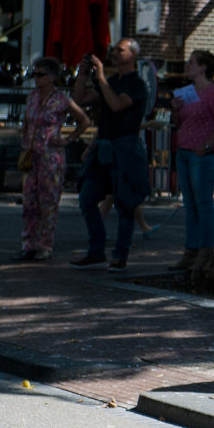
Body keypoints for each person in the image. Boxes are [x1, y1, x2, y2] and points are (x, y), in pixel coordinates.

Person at [71, 39, 150, 271]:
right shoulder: (112, 81)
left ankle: (120, 255)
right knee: (87, 198)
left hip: (125, 149)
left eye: (120, 50)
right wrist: (83, 75)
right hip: (103, 147)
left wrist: (102, 76)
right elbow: (80, 100)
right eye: (113, 49)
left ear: (133, 55)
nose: (114, 53)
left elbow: (116, 105)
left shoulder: (136, 84)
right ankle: (96, 251)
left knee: (125, 203)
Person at [17, 57, 90, 261]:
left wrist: (68, 139)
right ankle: (28, 244)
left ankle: (45, 245)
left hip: (51, 156)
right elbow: (26, 123)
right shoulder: (31, 97)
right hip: (32, 155)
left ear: (52, 77)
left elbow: (84, 120)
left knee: (47, 202)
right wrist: (24, 143)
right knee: (29, 202)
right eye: (35, 74)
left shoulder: (61, 99)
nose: (36, 78)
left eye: (41, 75)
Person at [171, 50, 214, 270]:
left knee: (203, 202)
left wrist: (206, 146)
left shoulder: (213, 92)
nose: (188, 66)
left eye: (191, 63)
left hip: (203, 155)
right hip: (185, 151)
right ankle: (191, 249)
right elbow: (180, 123)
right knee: (190, 204)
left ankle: (205, 250)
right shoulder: (187, 92)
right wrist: (176, 111)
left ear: (203, 67)